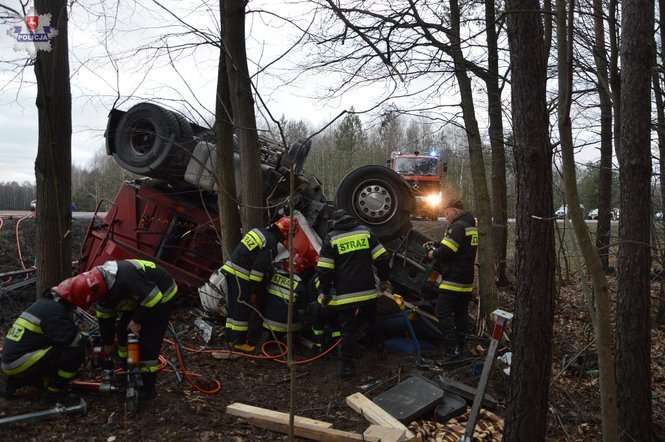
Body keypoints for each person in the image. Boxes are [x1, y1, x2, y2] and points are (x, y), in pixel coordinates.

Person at [315, 209, 390, 379]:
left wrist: (325, 292)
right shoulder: (365, 232)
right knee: (373, 320)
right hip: (368, 290)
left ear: (334, 222)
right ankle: (381, 351)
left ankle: (347, 366)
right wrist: (384, 280)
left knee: (348, 329)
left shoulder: (331, 238)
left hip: (345, 294)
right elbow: (382, 258)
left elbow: (325, 270)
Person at [0, 284, 90, 401]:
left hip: (10, 361)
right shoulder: (55, 311)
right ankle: (55, 391)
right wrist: (87, 341)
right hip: (20, 362)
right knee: (75, 350)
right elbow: (70, 339)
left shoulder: (43, 305)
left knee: (58, 351)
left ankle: (20, 381)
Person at [221, 217, 291, 352]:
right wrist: (253, 291)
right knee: (241, 309)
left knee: (234, 307)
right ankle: (238, 342)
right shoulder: (271, 243)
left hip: (232, 270)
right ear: (284, 233)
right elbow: (257, 271)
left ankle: (230, 338)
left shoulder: (260, 232)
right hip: (241, 275)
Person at [427, 198, 478, 357]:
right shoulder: (470, 226)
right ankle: (461, 347)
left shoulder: (457, 226)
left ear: (454, 210)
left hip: (453, 279)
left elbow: (447, 252)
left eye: (447, 213)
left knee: (442, 312)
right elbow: (459, 247)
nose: (446, 216)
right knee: (461, 314)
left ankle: (451, 348)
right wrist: (438, 244)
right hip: (466, 280)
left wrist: (433, 253)